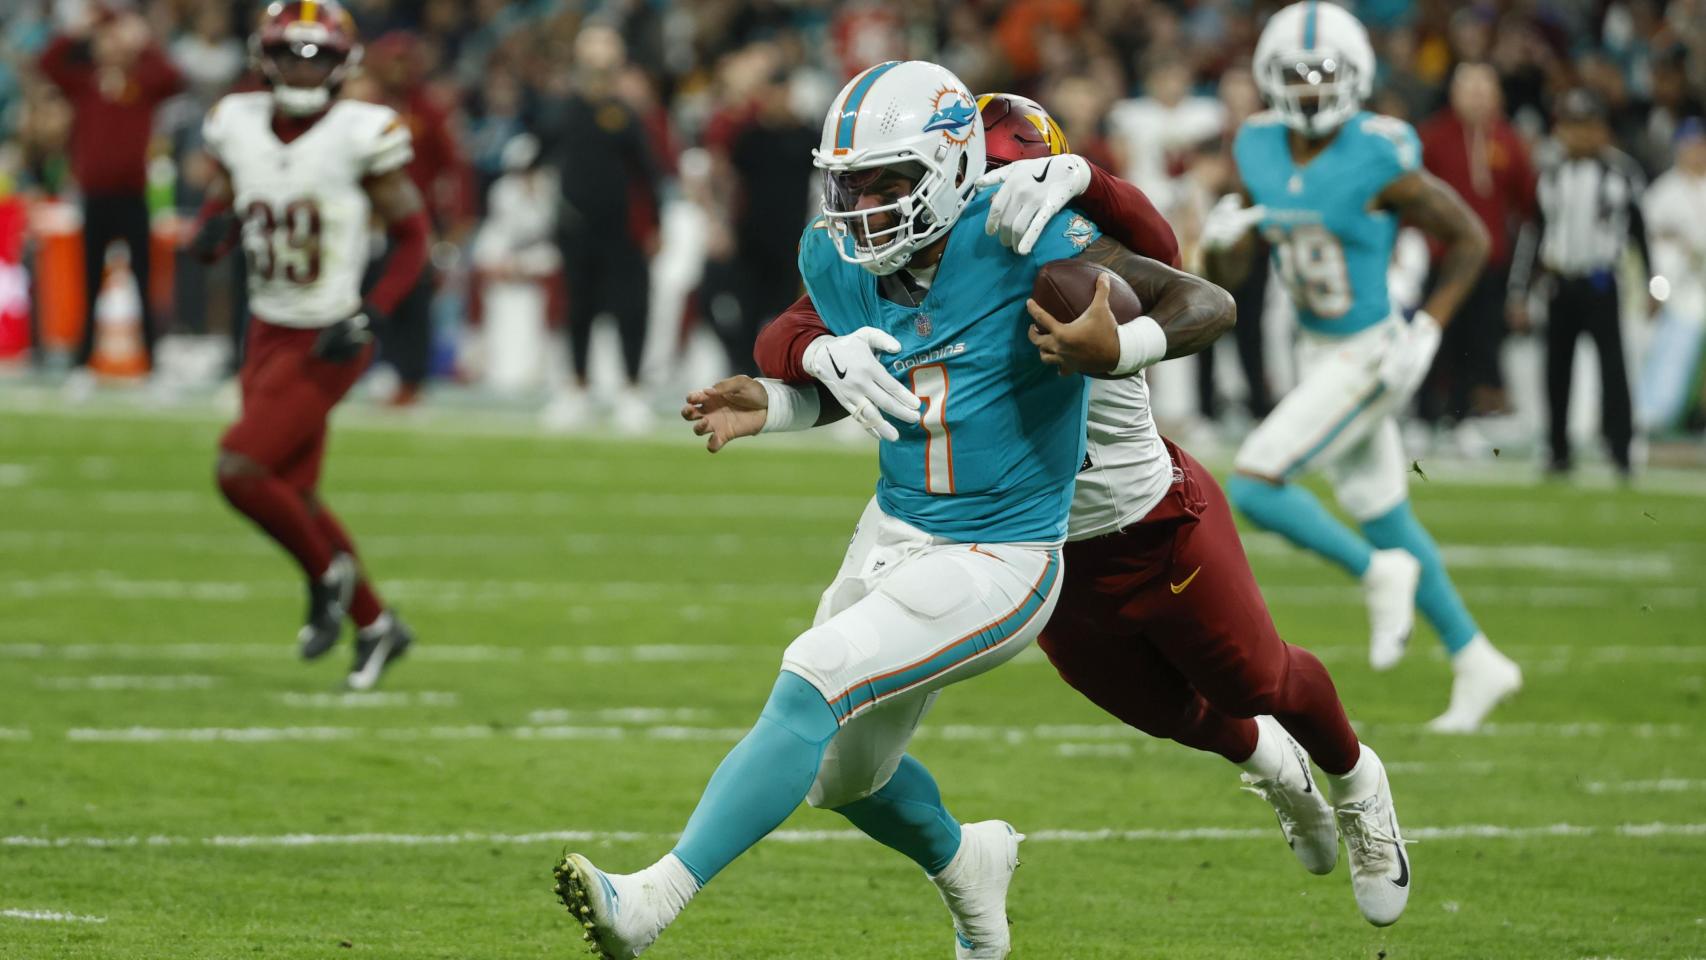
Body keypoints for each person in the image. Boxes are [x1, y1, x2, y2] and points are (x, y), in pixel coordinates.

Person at [554, 60, 1233, 959]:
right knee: (841, 777)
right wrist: (787, 394)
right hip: (896, 529)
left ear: (952, 168)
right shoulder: (839, 255)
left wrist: (1119, 346)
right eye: (849, 185)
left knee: (815, 674)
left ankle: (652, 899)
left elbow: (1204, 300)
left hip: (1001, 554)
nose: (863, 208)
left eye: (887, 183)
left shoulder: (1023, 235)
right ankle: (968, 865)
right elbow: (853, 366)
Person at [727, 93, 1415, 929]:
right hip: (1029, 549)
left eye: (1016, 184)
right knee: (1171, 715)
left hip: (1150, 522)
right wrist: (812, 360)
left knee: (1255, 677)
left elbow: (1178, 273)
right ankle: (1276, 765)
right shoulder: (915, 261)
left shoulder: (1066, 255)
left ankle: (1357, 779)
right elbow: (791, 334)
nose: (993, 208)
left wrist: (1101, 244)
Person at [1201, 2, 1522, 732]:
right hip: (1314, 348)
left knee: (1254, 482)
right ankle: (1478, 660)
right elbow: (1234, 271)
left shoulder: (1378, 152)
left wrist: (1428, 327)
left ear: (1356, 76)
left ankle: (1378, 574)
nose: (1312, 90)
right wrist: (1219, 245)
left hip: (1372, 350)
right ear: (1270, 77)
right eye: (1298, 75)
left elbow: (1470, 237)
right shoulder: (1257, 145)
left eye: (1325, 75)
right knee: (1385, 514)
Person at [187, 0, 429, 690]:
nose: (302, 67)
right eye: (290, 54)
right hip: (265, 326)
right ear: (265, 58)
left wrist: (373, 312)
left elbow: (414, 237)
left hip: (328, 334)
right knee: (294, 493)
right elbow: (227, 204)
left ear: (342, 64)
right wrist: (211, 232)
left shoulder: (360, 132)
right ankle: (377, 625)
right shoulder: (236, 123)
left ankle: (327, 576)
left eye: (317, 55)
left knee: (239, 469)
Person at [37, 6, 183, 395]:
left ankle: (153, 366)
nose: (113, 45)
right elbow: (47, 63)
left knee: (144, 282)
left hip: (133, 197)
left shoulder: (143, 81)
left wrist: (146, 41)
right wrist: (77, 31)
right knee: (89, 284)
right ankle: (82, 364)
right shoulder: (85, 81)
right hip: (95, 197)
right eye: (106, 39)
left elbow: (174, 78)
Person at [1509, 89, 1655, 478]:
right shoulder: (1549, 174)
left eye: (1587, 125)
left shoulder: (1622, 173)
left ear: (1602, 129)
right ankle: (1558, 451)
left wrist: (1653, 284)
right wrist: (1519, 291)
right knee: (1556, 370)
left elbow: (1641, 233)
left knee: (1613, 369)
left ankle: (1621, 450)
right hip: (1560, 282)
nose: (1579, 135)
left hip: (1601, 281)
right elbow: (1532, 235)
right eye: (1571, 126)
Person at [538, 23, 663, 434]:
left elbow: (648, 174)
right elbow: (537, 152)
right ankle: (576, 388)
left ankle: (632, 391)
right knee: (578, 309)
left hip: (622, 231)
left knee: (630, 310)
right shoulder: (562, 110)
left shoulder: (625, 114)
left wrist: (655, 224)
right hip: (575, 229)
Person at [1417, 62, 1537, 423]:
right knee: (1435, 337)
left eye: (1484, 90)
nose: (1478, 98)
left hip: (1490, 263)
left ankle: (1466, 415)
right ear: (1455, 94)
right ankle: (1426, 414)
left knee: (1480, 342)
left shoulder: (1509, 140)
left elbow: (1526, 201)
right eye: (1470, 90)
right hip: (1444, 258)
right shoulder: (1433, 136)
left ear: (1497, 95)